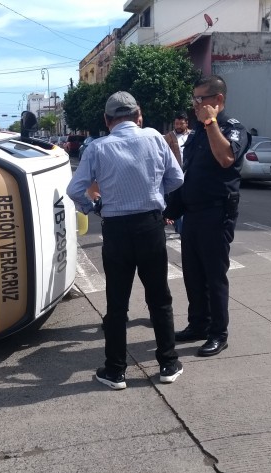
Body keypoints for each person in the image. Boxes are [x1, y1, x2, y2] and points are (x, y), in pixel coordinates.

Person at [67, 91, 185, 390]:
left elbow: (75, 189)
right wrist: (153, 191)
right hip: (151, 227)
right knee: (160, 298)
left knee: (117, 302)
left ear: (107, 121)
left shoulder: (97, 148)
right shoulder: (156, 138)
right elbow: (176, 179)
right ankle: (168, 363)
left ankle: (116, 370)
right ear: (139, 115)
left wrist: (94, 206)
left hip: (117, 230)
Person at [170, 74, 251, 358]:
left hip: (216, 213)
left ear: (217, 100)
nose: (195, 105)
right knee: (193, 274)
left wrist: (211, 122)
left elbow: (226, 158)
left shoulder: (232, 128)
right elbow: (189, 173)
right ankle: (198, 325)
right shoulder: (196, 132)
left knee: (214, 276)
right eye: (194, 99)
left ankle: (219, 333)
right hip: (191, 214)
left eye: (200, 99)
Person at [164, 112, 191, 234]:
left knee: (187, 200)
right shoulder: (169, 137)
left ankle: (180, 225)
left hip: (190, 174)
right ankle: (179, 227)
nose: (178, 126)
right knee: (177, 200)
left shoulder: (192, 135)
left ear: (186, 123)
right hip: (175, 174)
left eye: (181, 123)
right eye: (176, 123)